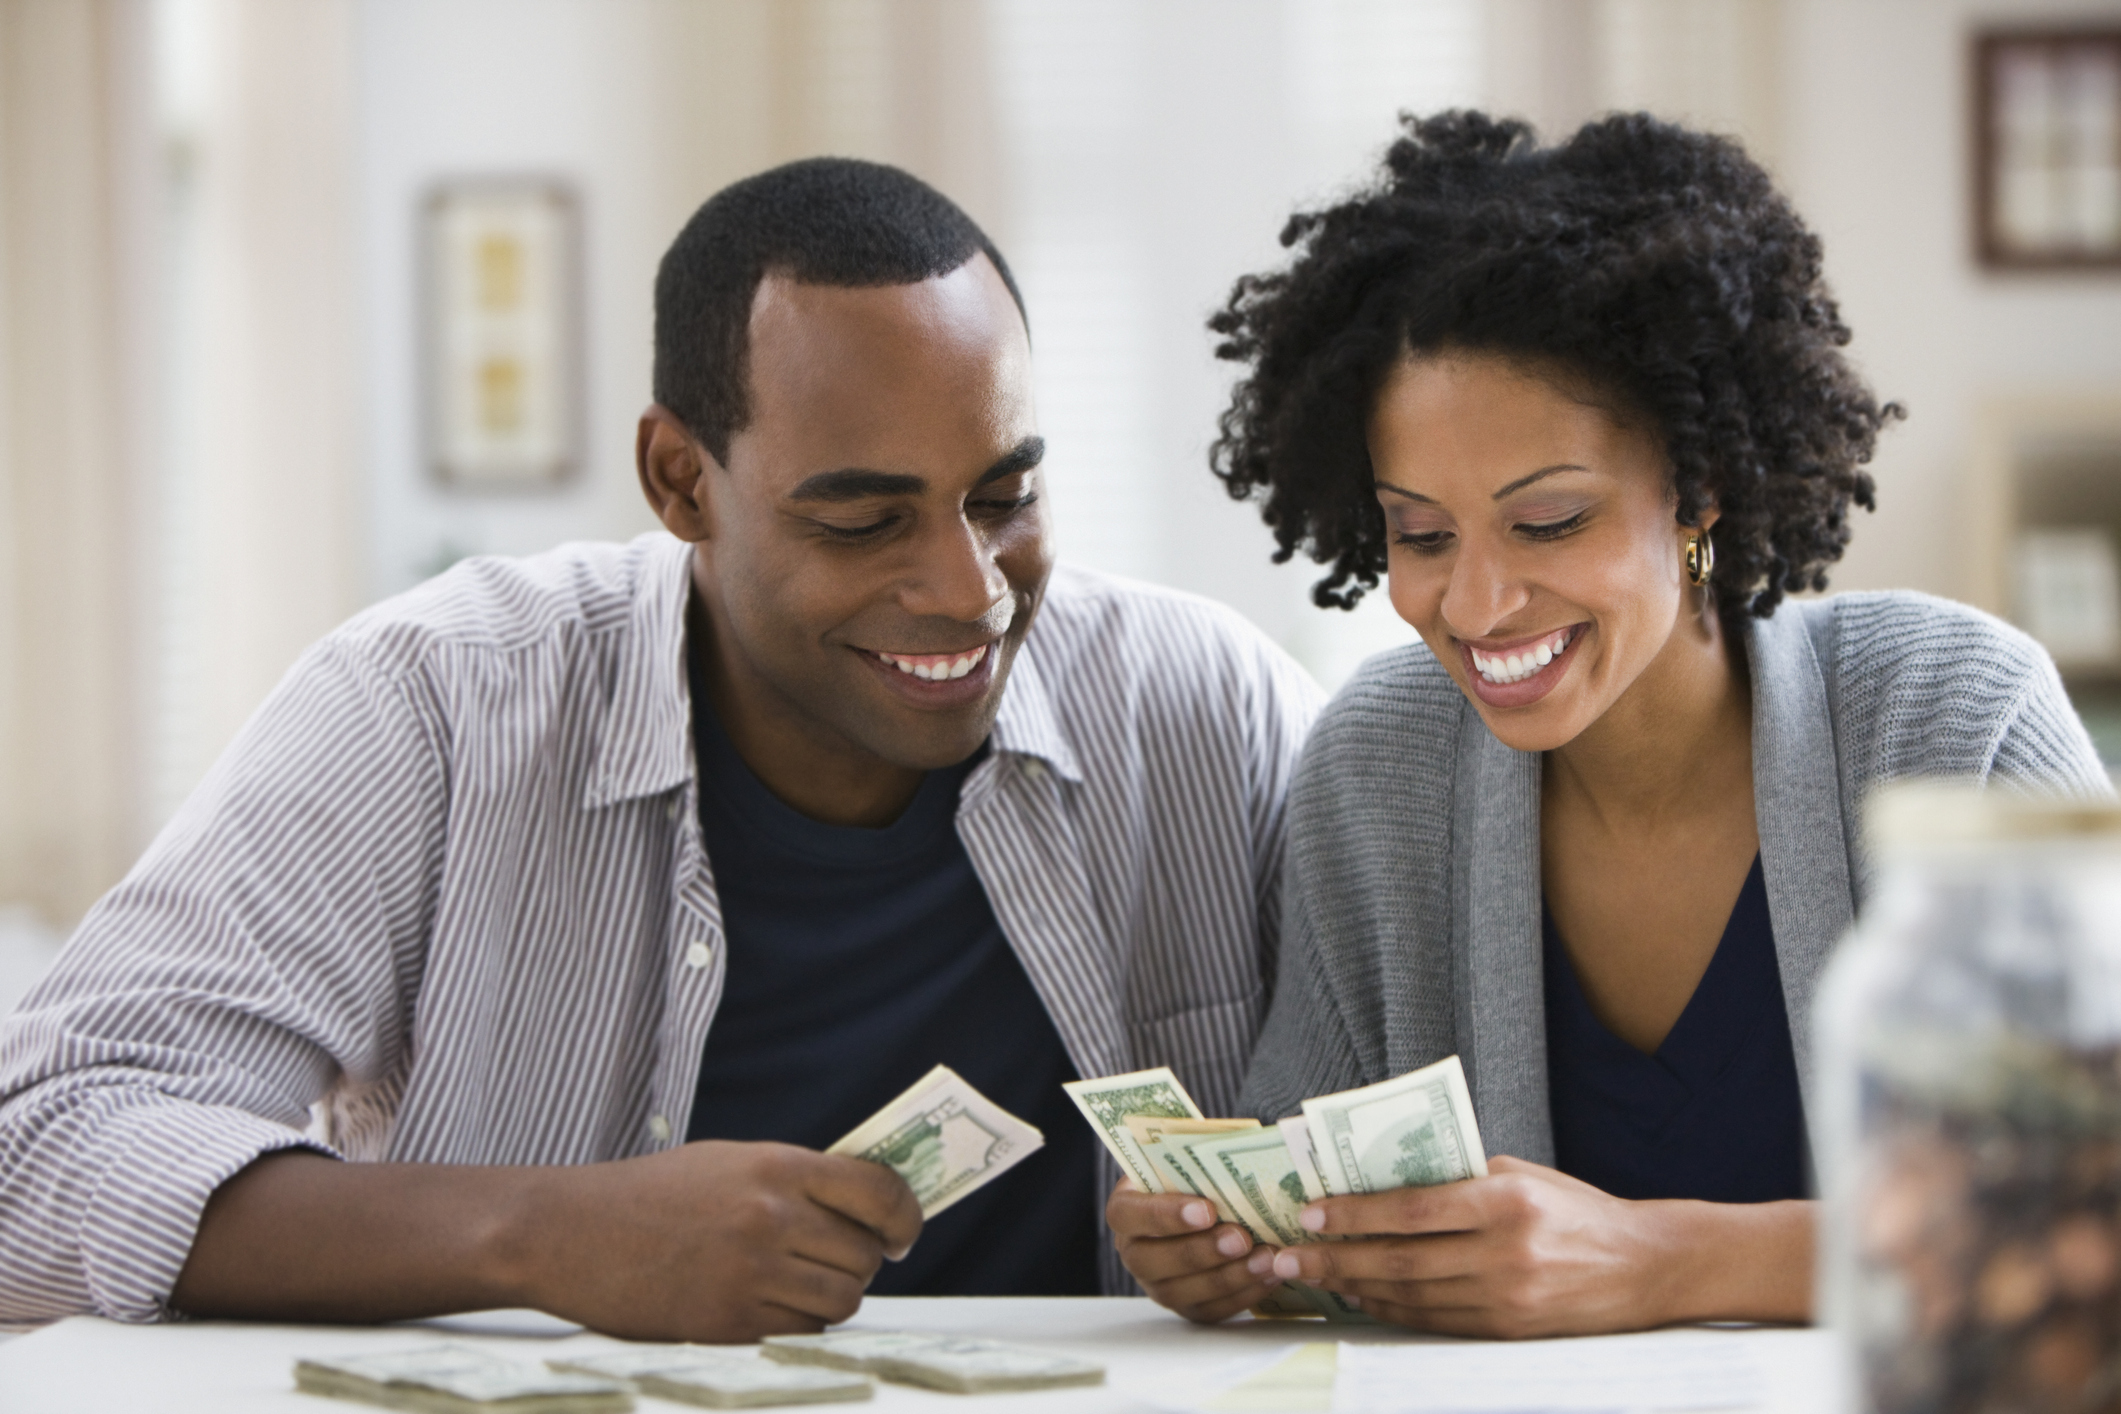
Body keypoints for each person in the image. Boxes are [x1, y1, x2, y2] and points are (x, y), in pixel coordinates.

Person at [0, 159, 1322, 1338]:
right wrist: (541, 1235)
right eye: (863, 520)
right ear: (681, 481)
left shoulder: (1208, 707)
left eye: (1003, 497)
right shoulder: (435, 705)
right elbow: (42, 1147)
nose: (966, 588)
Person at [1108, 112, 2109, 1337]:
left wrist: (1666, 1262)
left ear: (1697, 491)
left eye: (1549, 523)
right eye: (1421, 535)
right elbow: (1314, 1197)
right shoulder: (1379, 766)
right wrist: (1231, 1253)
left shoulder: (1951, 715)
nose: (1473, 603)